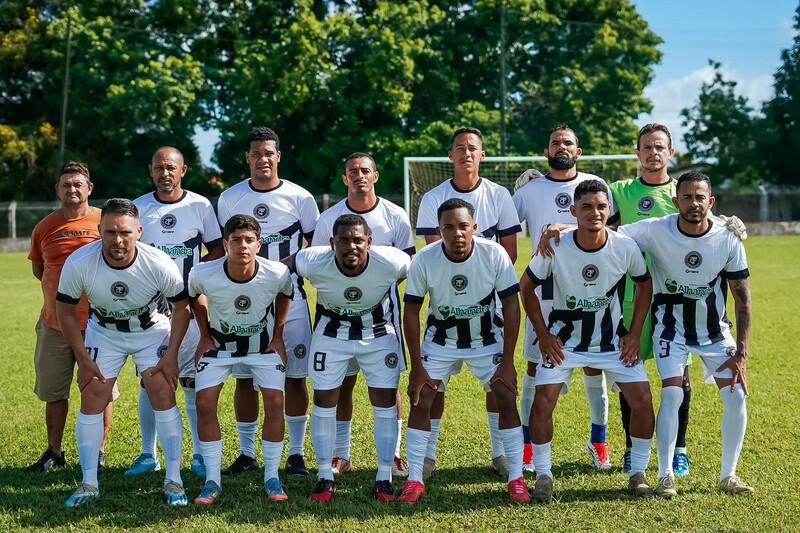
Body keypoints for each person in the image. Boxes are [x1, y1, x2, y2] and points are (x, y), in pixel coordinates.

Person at [615, 172, 753, 497]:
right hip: (670, 330)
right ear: (676, 201)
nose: (694, 203)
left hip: (715, 332)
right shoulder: (655, 229)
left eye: (700, 197)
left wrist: (741, 353)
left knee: (736, 396)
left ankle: (729, 476)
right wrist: (560, 228)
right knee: (673, 395)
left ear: (711, 201)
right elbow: (607, 235)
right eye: (687, 197)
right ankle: (666, 477)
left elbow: (743, 299)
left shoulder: (728, 237)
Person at [520, 179, 656, 501]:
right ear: (573, 210)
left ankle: (638, 473)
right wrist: (543, 335)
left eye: (601, 206)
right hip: (564, 343)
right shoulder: (556, 245)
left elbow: (644, 285)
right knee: (543, 401)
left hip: (612, 342)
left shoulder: (624, 246)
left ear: (609, 210)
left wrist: (634, 333)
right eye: (586, 207)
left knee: (643, 399)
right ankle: (543, 475)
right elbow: (526, 286)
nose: (595, 212)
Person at [56, 198, 192, 507]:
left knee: (162, 391)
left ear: (139, 232)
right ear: (99, 230)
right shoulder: (79, 262)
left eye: (125, 232)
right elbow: (64, 311)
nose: (118, 240)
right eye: (110, 232)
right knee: (93, 394)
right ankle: (88, 482)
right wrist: (83, 359)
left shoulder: (158, 262)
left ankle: (174, 480)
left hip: (150, 330)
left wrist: (171, 355)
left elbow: (182, 307)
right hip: (104, 332)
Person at [401, 198, 528, 503]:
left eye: (463, 226)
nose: (456, 233)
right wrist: (417, 366)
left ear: (474, 227)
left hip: (486, 339)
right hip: (441, 340)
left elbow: (512, 306)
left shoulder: (494, 254)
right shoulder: (424, 259)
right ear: (438, 230)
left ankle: (516, 477)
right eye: (448, 227)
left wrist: (507, 361)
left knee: (505, 393)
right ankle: (415, 478)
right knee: (421, 397)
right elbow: (411, 312)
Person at [415, 127, 521, 479]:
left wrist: (483, 284)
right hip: (446, 305)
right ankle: (427, 457)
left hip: (489, 300)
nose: (466, 153)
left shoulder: (499, 194)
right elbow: (436, 256)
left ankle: (499, 453)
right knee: (435, 385)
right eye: (459, 148)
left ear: (482, 154)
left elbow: (508, 253)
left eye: (472, 148)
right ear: (450, 155)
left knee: (496, 383)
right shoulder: (433, 197)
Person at [217, 127, 319, 476]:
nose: (263, 159)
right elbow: (226, 247)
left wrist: (280, 269)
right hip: (243, 303)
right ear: (247, 157)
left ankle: (296, 454)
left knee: (295, 377)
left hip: (292, 300)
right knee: (244, 378)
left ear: (278, 156)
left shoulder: (300, 197)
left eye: (269, 153)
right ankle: (246, 454)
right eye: (256, 153)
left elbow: (315, 247)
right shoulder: (230, 198)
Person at [513, 124, 613, 472]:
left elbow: (610, 229)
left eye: (568, 142)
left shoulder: (595, 184)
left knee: (594, 364)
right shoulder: (530, 190)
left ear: (578, 151)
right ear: (546, 152)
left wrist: (563, 228)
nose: (561, 146)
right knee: (534, 367)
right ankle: (527, 445)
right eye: (555, 142)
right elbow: (502, 225)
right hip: (543, 291)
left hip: (590, 290)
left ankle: (598, 441)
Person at [293, 214, 410, 501]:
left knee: (384, 400)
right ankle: (324, 475)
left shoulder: (392, 261)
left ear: (369, 242)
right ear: (332, 243)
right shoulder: (312, 260)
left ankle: (384, 476)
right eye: (343, 240)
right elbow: (278, 269)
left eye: (357, 240)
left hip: (378, 332)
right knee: (324, 400)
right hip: (331, 334)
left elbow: (424, 270)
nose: (351, 246)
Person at [311, 152, 415, 478]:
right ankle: (341, 455)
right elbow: (319, 263)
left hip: (383, 316)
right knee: (341, 383)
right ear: (345, 178)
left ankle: (393, 454)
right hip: (335, 316)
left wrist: (372, 287)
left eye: (365, 170)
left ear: (375, 176)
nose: (359, 175)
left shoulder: (395, 215)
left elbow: (408, 264)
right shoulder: (329, 218)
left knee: (387, 385)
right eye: (352, 171)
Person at [127, 147, 224, 478]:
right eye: (159, 168)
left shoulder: (200, 205)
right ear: (150, 170)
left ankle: (198, 454)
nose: (164, 173)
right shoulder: (138, 207)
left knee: (193, 380)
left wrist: (193, 274)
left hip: (190, 306)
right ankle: (147, 454)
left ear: (183, 171)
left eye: (171, 167)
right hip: (151, 310)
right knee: (150, 379)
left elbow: (218, 249)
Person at [189, 214, 293, 504]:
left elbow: (286, 294)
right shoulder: (203, 273)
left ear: (259, 244)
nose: (242, 246)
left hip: (263, 347)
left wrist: (278, 336)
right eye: (235, 240)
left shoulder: (277, 272)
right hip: (219, 347)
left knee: (275, 402)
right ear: (225, 244)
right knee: (204, 404)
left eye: (249, 240)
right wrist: (204, 335)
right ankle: (212, 480)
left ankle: (272, 477)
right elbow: (194, 296)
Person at [27, 161, 116, 473]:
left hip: (98, 325)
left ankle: (99, 452)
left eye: (78, 184)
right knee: (54, 392)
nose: (72, 189)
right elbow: (40, 270)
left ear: (89, 188)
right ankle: (54, 451)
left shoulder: (104, 221)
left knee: (99, 390)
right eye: (66, 184)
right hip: (54, 325)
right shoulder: (44, 227)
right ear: (58, 189)